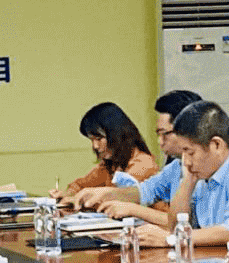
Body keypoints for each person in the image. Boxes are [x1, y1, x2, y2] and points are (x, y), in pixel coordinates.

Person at [133, 100, 229, 247]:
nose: (186, 162)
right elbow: (176, 226)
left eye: (190, 152)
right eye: (183, 153)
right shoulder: (204, 172)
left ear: (216, 145)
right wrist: (187, 182)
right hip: (220, 260)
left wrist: (171, 240)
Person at [73, 90, 202, 225]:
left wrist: (132, 209)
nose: (160, 142)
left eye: (164, 134)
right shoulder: (175, 167)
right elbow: (144, 191)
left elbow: (184, 223)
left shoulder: (210, 171)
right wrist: (104, 193)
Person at [51, 102, 158, 205]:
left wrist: (77, 199)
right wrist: (66, 194)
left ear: (118, 134)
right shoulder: (110, 165)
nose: (95, 146)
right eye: (92, 140)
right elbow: (79, 185)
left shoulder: (143, 164)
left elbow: (116, 200)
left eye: (99, 138)